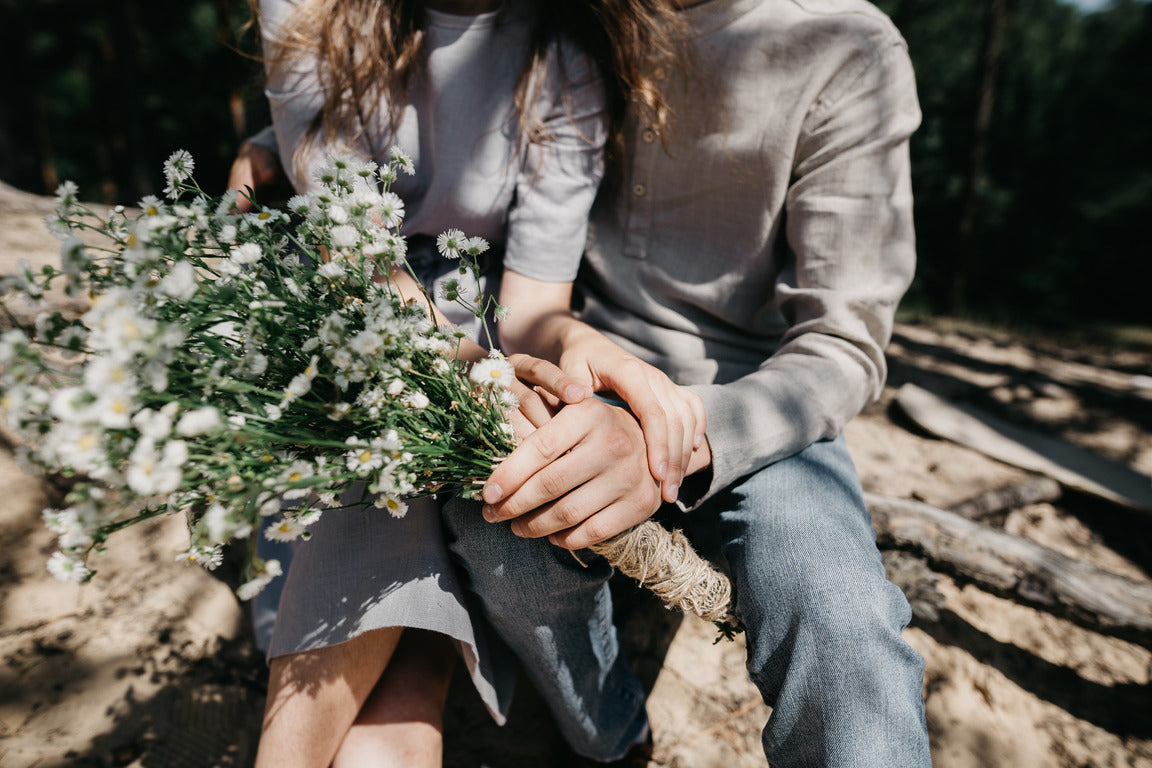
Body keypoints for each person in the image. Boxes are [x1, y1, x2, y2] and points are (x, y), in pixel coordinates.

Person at [438, 0, 935, 765]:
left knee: (840, 617)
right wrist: (278, 139)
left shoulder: (846, 45)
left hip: (760, 400)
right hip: (587, 363)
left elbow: (844, 346)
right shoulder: (573, 20)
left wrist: (676, 440)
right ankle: (611, 736)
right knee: (498, 531)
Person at [227, 0, 696, 766]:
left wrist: (572, 341)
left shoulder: (563, 55)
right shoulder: (308, 10)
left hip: (469, 315)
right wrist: (448, 366)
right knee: (376, 465)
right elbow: (357, 256)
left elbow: (535, 304)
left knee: (418, 544)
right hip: (342, 303)